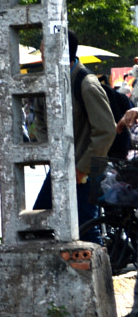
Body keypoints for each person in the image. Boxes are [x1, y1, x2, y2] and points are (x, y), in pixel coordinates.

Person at [33, 37, 116, 236]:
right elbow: (39, 118)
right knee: (37, 224)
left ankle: (98, 267)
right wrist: (48, 149)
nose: (42, 57)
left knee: (86, 227)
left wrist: (82, 168)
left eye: (45, 52)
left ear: (59, 52)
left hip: (85, 169)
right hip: (60, 166)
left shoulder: (86, 83)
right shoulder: (47, 81)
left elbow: (106, 130)